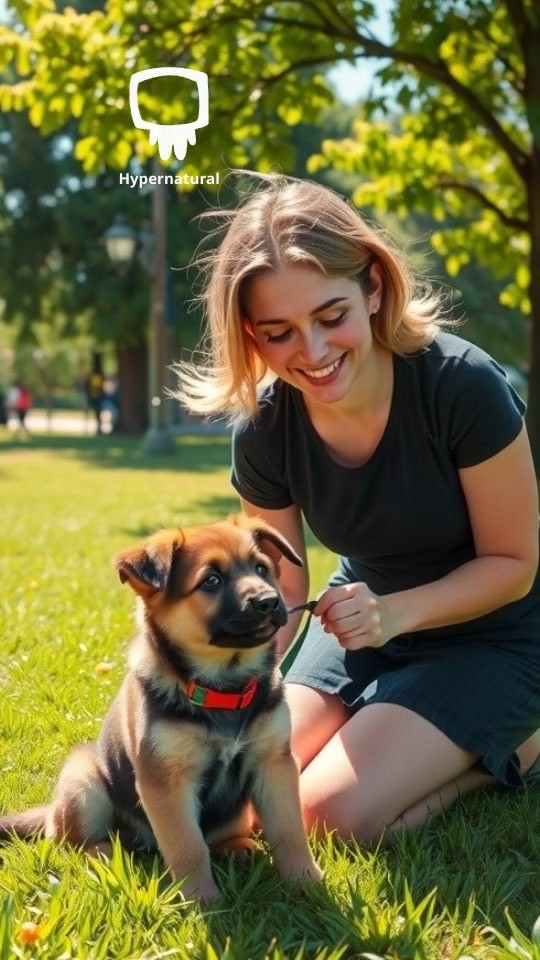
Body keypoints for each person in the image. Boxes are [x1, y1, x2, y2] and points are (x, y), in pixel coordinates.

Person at [175, 173, 540, 844]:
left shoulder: (464, 388)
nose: (312, 354)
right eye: (279, 332)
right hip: (358, 625)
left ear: (372, 286)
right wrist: (228, 681)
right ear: (250, 335)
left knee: (320, 817)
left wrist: (394, 613)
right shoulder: (264, 428)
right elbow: (279, 585)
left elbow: (514, 564)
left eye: (330, 317)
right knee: (235, 799)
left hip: (498, 634)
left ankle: (514, 754)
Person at [85, 354, 105, 435]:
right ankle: (98, 428)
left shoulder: (97, 375)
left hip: (97, 396)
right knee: (97, 413)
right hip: (95, 396)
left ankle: (99, 428)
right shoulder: (98, 375)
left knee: (98, 413)